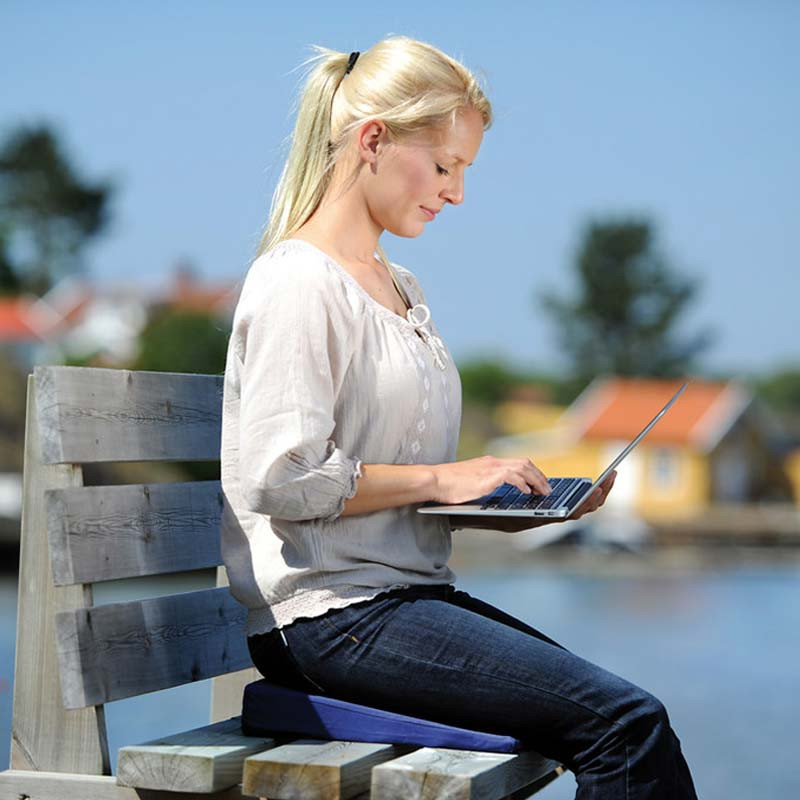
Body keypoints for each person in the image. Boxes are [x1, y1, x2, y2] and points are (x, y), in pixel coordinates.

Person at [220, 35, 698, 799]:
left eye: (464, 171)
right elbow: (283, 477)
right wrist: (448, 474)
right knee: (624, 726)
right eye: (446, 166)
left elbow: (387, 488)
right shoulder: (298, 283)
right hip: (330, 620)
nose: (457, 193)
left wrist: (501, 506)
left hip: (401, 601)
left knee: (627, 719)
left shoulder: (399, 289)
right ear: (373, 141)